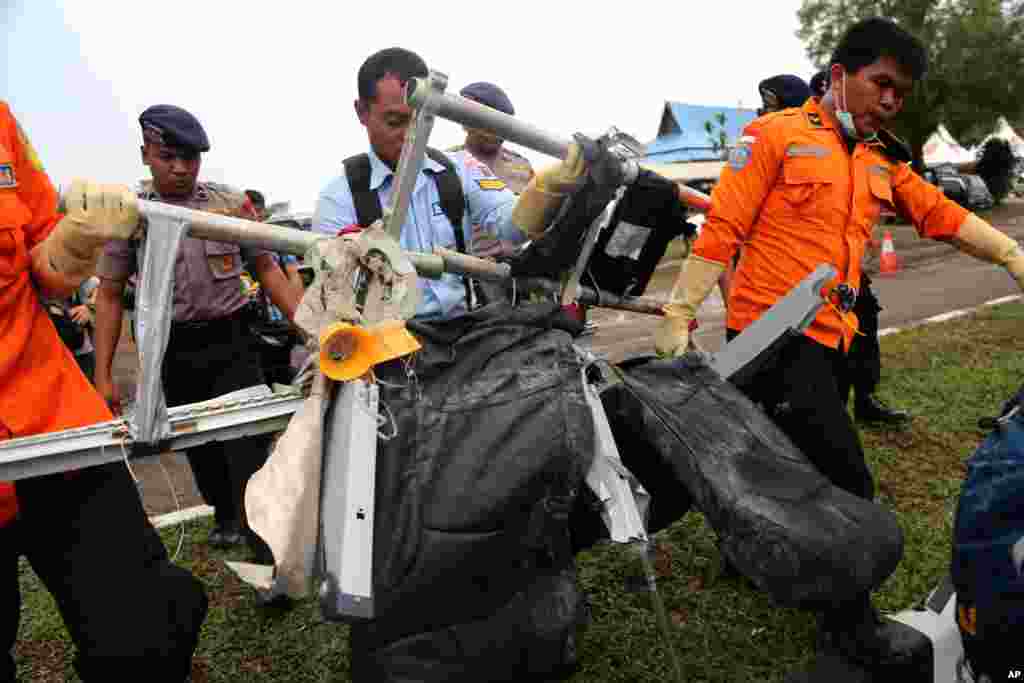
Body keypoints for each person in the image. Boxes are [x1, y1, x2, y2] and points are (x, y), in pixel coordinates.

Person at [654, 17, 1024, 667]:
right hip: (774, 338)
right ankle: (849, 626)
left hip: (832, 339)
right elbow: (724, 226)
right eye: (881, 83)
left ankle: (749, 557)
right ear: (837, 77)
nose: (890, 100)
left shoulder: (880, 158)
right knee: (845, 481)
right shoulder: (774, 135)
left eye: (900, 93)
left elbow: (941, 215)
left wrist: (1009, 253)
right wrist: (679, 308)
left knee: (770, 459)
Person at [0, 101, 207, 681]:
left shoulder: (1, 122)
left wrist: (77, 238)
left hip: (51, 424)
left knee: (145, 634)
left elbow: (49, 265)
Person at [94, 105, 301, 551]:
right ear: (146, 153)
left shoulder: (231, 205)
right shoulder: (129, 214)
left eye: (191, 158)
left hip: (233, 342)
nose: (182, 168)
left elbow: (266, 268)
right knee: (200, 449)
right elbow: (108, 296)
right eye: (168, 156)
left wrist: (313, 331)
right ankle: (224, 513)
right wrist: (103, 377)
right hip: (172, 349)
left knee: (247, 448)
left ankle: (263, 546)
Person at [313, 48, 571, 319]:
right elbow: (332, 297)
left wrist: (552, 183)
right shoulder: (339, 198)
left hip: (464, 331)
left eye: (421, 120)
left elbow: (512, 226)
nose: (409, 135)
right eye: (394, 121)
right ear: (362, 112)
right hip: (386, 341)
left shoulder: (461, 168)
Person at [809, 69, 910, 426]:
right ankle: (830, 418)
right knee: (822, 352)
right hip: (803, 280)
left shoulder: (871, 148)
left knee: (864, 327)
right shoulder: (789, 137)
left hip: (850, 271)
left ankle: (865, 399)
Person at [447, 81, 535, 259]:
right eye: (489, 125)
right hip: (466, 271)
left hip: (513, 275)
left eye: (502, 126)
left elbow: (538, 218)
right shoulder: (448, 164)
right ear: (467, 123)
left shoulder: (522, 167)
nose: (496, 134)